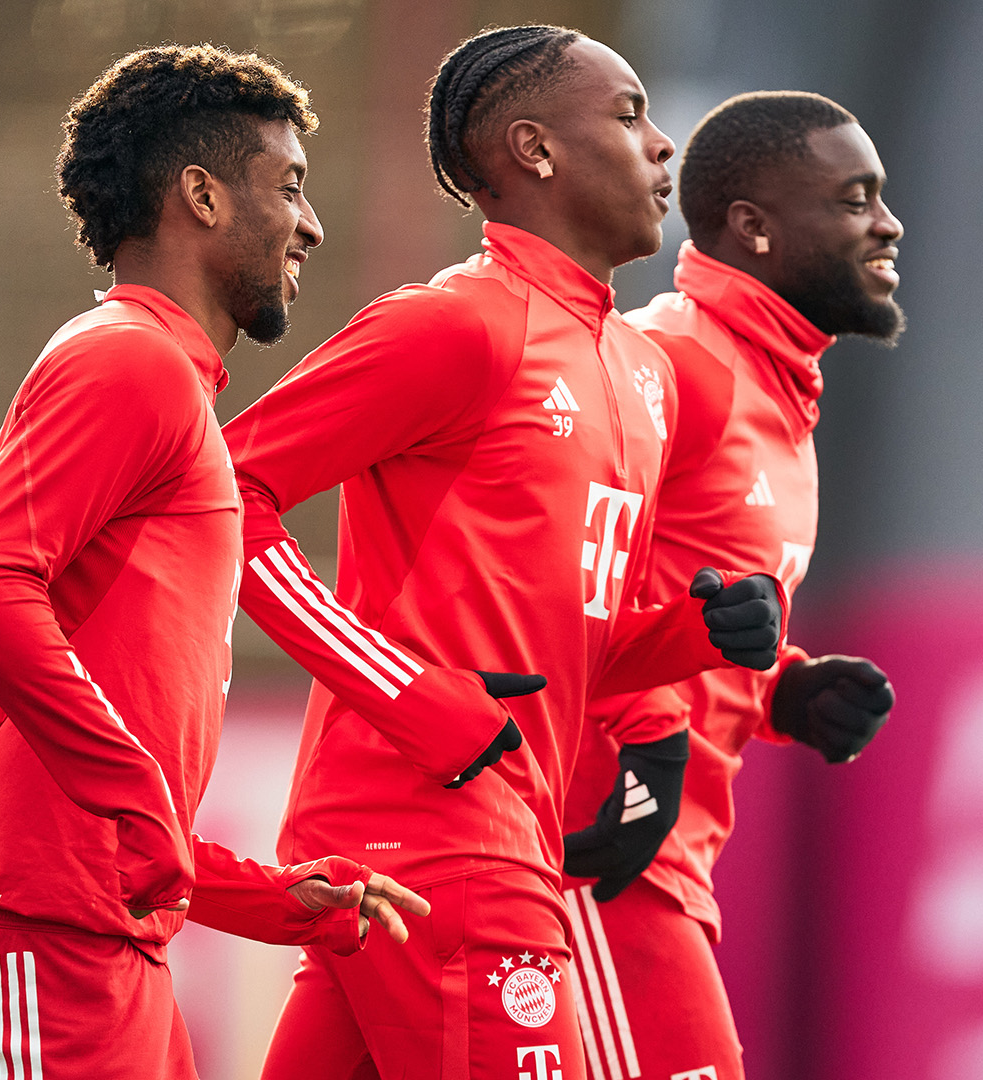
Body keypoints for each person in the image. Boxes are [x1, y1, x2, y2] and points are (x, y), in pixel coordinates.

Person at [226, 25, 786, 1080]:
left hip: (474, 839)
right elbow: (216, 495)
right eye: (628, 116)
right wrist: (407, 693)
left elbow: (554, 651)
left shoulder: (643, 370)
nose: (665, 146)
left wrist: (691, 634)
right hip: (441, 839)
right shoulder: (456, 325)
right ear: (534, 151)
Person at [0, 47, 429, 1080]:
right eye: (292, 187)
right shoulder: (128, 359)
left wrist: (257, 895)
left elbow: (109, 783)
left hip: (83, 934)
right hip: (23, 935)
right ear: (203, 196)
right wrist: (135, 799)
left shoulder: (161, 377)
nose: (311, 224)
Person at [555, 91, 903, 1080]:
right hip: (596, 847)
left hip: (663, 855)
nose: (889, 222)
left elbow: (666, 591)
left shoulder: (776, 390)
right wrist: (648, 753)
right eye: (856, 198)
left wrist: (781, 686)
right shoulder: (673, 363)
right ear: (754, 227)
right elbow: (552, 581)